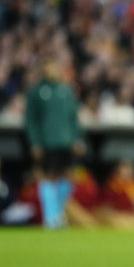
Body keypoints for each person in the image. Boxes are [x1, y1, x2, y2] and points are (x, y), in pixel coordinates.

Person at [25, 56, 85, 228]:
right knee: (47, 176)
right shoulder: (36, 92)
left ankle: (59, 213)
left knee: (67, 176)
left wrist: (77, 138)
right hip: (47, 142)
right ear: (43, 69)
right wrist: (34, 142)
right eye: (48, 66)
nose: (52, 70)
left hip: (66, 141)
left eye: (54, 66)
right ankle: (49, 216)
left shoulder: (66, 90)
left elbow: (73, 118)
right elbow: (31, 120)